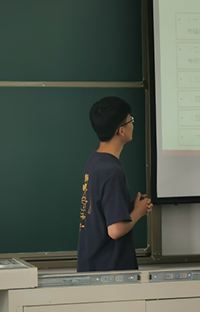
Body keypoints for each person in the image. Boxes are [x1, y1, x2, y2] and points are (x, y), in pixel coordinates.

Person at [77, 96, 152, 272]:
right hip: (110, 271)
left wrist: (128, 207)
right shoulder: (112, 171)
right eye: (130, 121)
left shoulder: (95, 160)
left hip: (92, 265)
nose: (133, 125)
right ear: (121, 131)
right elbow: (115, 230)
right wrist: (138, 212)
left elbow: (100, 210)